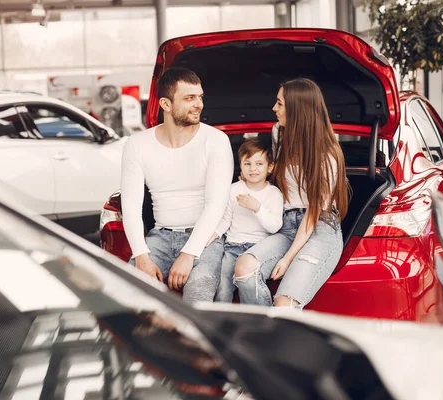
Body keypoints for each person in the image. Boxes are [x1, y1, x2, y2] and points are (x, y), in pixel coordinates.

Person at [121, 67, 233, 305]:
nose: (199, 104)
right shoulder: (137, 144)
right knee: (132, 291)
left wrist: (188, 254)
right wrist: (141, 257)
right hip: (159, 237)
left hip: (205, 239)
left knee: (198, 293)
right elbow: (129, 206)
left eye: (200, 97)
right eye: (189, 98)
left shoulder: (216, 140)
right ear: (166, 104)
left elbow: (216, 205)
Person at [233, 78, 349, 308]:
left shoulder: (328, 155)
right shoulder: (279, 134)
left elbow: (313, 213)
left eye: (280, 103)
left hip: (319, 227)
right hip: (286, 224)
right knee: (244, 268)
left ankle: (274, 332)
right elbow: (272, 174)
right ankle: (264, 331)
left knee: (285, 302)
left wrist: (287, 259)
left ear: (297, 110)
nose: (274, 109)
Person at [210, 137, 284, 302]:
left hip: (257, 249)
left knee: (248, 285)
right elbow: (226, 220)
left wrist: (257, 208)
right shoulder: (234, 189)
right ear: (241, 167)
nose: (253, 169)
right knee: (222, 289)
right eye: (247, 164)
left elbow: (275, 227)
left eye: (259, 164)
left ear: (270, 167)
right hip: (232, 248)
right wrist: (212, 235)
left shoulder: (274, 194)